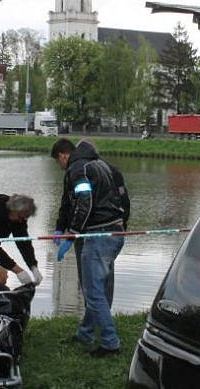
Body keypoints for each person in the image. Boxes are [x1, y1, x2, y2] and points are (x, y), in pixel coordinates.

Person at [50, 138, 127, 357]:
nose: (61, 167)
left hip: (98, 235)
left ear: (63, 155)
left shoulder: (78, 168)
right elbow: (123, 199)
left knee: (93, 292)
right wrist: (60, 227)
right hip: (114, 231)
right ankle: (85, 333)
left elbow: (84, 200)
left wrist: (72, 233)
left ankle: (110, 342)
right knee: (99, 289)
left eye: (59, 162)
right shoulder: (103, 166)